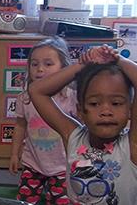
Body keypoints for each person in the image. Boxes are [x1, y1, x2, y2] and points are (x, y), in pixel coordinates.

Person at [29, 45, 137, 204]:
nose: (106, 111)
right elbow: (36, 91)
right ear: (80, 111)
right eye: (94, 104)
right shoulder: (73, 138)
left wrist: (118, 60)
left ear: (130, 110)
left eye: (116, 103)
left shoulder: (131, 146)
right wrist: (82, 64)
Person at [9, 37, 77, 204]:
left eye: (48, 64)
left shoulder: (71, 98)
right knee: (24, 200)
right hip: (33, 163)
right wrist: (14, 154)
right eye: (34, 64)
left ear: (64, 68)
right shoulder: (25, 98)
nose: (40, 69)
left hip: (63, 167)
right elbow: (20, 126)